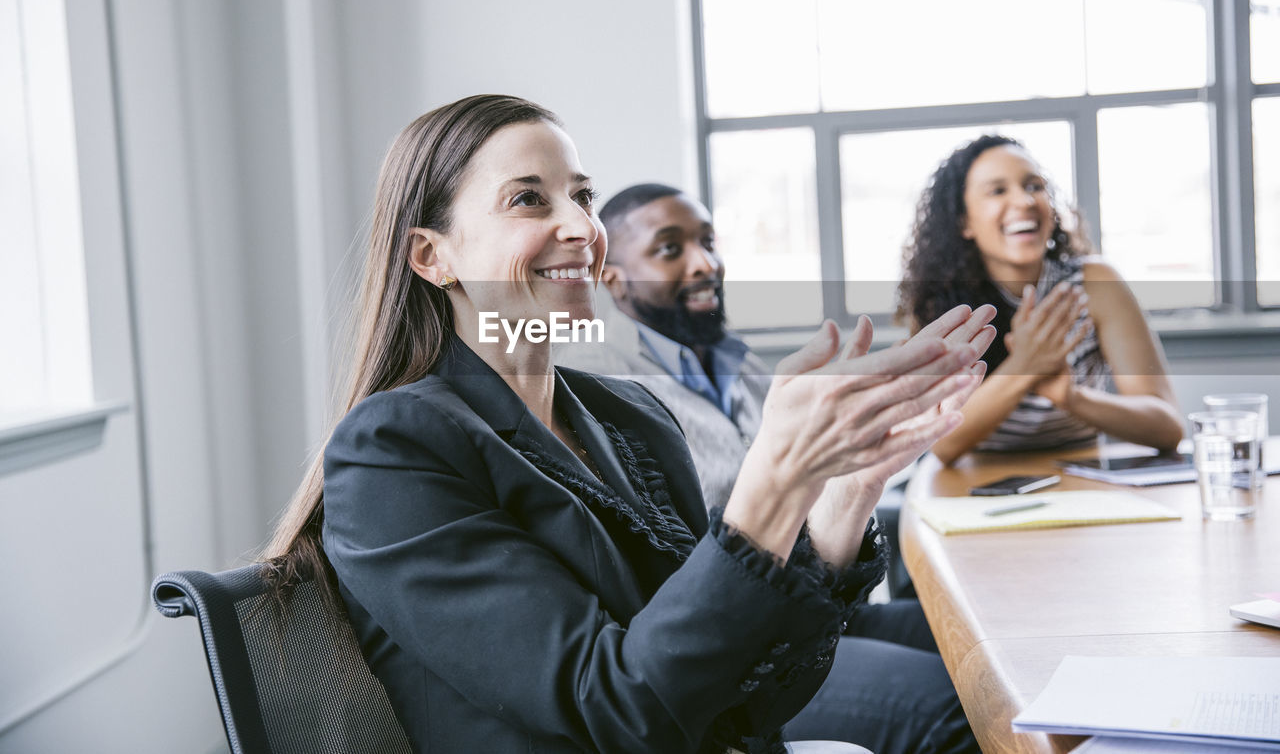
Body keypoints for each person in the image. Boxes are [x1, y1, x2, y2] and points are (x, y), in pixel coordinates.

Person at [262, 94, 994, 754]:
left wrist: (844, 491)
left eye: (583, 196)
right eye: (528, 199)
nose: (583, 227)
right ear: (433, 255)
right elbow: (620, 711)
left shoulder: (629, 414)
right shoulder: (393, 450)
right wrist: (776, 472)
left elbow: (755, 701)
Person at [560, 183, 983, 754]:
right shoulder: (601, 385)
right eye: (670, 249)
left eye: (708, 241)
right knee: (962, 704)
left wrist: (861, 456)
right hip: (744, 642)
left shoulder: (741, 363)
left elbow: (815, 484)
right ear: (612, 275)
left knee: (978, 639)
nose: (705, 263)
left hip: (812, 598)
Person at [896, 134, 1183, 465]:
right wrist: (1025, 368)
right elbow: (942, 444)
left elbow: (1168, 427)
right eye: (998, 190)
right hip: (974, 483)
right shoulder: (941, 301)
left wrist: (1071, 397)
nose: (1025, 200)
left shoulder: (1095, 283)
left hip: (1081, 475)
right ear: (964, 222)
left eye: (1034, 186)